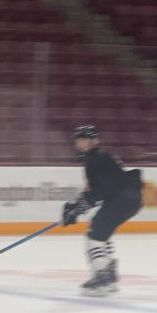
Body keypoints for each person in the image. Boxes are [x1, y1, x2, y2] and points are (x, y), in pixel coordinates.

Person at [61, 125, 143, 296]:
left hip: (121, 200)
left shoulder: (93, 159)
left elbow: (99, 190)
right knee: (101, 233)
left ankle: (101, 279)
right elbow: (99, 188)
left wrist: (77, 208)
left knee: (94, 237)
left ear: (89, 141)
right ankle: (110, 276)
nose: (78, 144)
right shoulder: (102, 156)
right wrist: (77, 206)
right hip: (130, 200)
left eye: (80, 140)